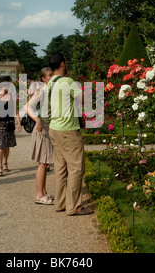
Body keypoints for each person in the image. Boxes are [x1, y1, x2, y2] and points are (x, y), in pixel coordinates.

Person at [47, 53, 93, 216]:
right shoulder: (68, 82)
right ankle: (74, 207)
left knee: (60, 168)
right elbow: (85, 100)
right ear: (62, 64)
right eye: (66, 61)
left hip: (54, 128)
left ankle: (60, 203)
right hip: (68, 129)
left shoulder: (50, 82)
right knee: (76, 168)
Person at [27, 67, 54, 205]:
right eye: (49, 76)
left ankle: (43, 192)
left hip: (47, 128)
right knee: (43, 164)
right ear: (43, 78)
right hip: (42, 128)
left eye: (52, 75)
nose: (52, 77)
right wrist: (37, 120)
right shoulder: (42, 91)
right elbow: (28, 106)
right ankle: (39, 195)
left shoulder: (48, 91)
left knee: (45, 163)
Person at [0, 75, 22, 177]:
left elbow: (15, 110)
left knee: (7, 145)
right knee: (0, 145)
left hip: (9, 123)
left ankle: (5, 163)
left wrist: (18, 121)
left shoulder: (11, 96)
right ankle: (0, 167)